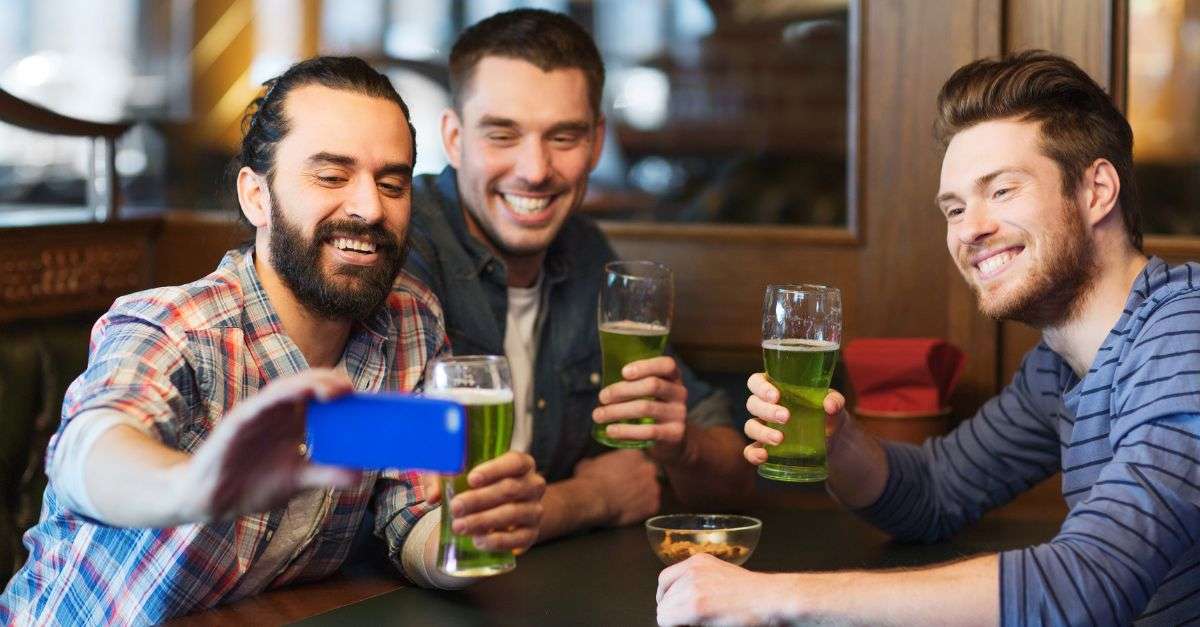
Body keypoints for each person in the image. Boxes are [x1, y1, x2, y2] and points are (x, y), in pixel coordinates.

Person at [656, 51, 1200, 626]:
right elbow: (934, 494)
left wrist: (771, 598)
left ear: (1096, 190)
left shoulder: (1183, 335)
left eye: (1002, 191)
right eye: (955, 207)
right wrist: (837, 442)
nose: (970, 228)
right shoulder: (1059, 368)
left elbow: (1084, 585)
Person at [0, 57, 544, 624]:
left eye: (392, 183)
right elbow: (92, 450)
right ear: (256, 196)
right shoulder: (175, 328)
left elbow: (409, 514)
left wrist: (476, 537)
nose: (369, 207)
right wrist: (193, 486)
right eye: (331, 176)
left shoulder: (408, 325)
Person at [404, 8, 754, 543]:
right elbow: (406, 505)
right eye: (503, 135)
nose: (535, 170)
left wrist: (682, 448)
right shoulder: (404, 247)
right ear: (453, 137)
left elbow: (731, 478)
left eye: (563, 138)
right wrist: (590, 499)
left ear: (595, 141)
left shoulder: (585, 252)